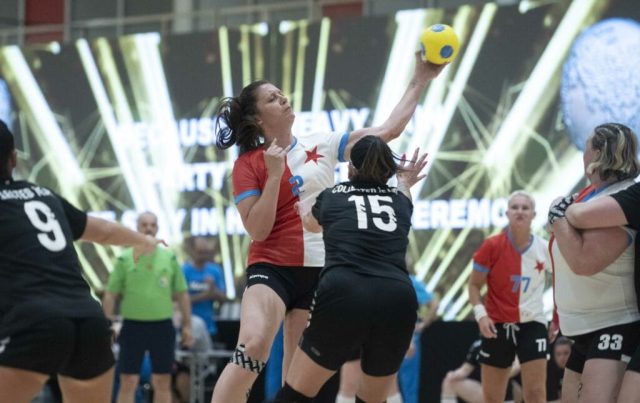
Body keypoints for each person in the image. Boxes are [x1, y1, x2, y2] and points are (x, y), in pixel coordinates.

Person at [211, 52, 444, 402]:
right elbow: (258, 231)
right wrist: (273, 177)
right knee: (254, 346)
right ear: (257, 118)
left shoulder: (320, 143)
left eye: (281, 93)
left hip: (320, 273)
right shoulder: (248, 164)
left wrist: (420, 79)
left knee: (295, 380)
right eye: (272, 98)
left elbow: (386, 132)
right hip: (271, 267)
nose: (283, 99)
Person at [0, 119, 161, 402]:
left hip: (34, 323)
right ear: (13, 159)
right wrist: (144, 241)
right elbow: (104, 230)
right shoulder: (44, 195)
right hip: (89, 323)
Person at [272, 135, 428, 402]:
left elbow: (312, 225)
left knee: (295, 395)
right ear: (388, 172)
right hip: (397, 298)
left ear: (350, 169)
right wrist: (404, 181)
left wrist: (303, 210)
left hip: (344, 293)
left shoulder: (332, 196)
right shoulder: (401, 202)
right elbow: (403, 193)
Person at [547, 123, 640, 403]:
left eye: (586, 146)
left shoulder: (620, 200)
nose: (583, 153)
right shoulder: (588, 197)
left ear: (598, 153)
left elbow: (583, 262)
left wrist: (557, 217)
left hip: (614, 323)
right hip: (582, 328)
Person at [468, 190, 550, 403]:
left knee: (536, 394)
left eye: (525, 208)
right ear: (507, 213)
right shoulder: (491, 246)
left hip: (533, 323)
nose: (520, 211)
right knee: (492, 397)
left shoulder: (545, 248)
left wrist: (558, 318)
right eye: (515, 207)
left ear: (534, 214)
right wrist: (481, 315)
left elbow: (563, 282)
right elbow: (474, 285)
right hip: (497, 325)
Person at [102, 212, 194, 403]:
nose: (149, 228)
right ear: (137, 228)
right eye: (144, 224)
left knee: (162, 381)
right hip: (132, 327)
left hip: (162, 327)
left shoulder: (169, 257)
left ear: (158, 228)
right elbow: (111, 294)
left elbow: (182, 293)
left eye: (152, 224)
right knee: (128, 380)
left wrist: (187, 326)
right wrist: (106, 324)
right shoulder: (124, 258)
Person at [563, 178, 640, 403]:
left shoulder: (632, 195)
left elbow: (579, 218)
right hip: (588, 324)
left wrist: (559, 209)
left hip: (616, 321)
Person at [335, 261, 439, 403]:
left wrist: (412, 332)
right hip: (365, 323)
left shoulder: (402, 279)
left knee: (393, 384)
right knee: (357, 384)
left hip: (385, 329)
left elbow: (403, 303)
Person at [440, 339, 522, 403]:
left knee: (503, 383)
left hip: (510, 390)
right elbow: (465, 369)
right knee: (449, 381)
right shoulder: (478, 345)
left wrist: (499, 374)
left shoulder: (509, 343)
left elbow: (517, 367)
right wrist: (453, 374)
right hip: (484, 389)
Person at [183, 236, 227, 344]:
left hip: (210, 328)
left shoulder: (215, 270)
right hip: (189, 327)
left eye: (205, 252)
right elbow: (179, 301)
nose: (203, 255)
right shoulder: (184, 271)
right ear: (192, 251)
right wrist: (206, 294)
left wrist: (213, 289)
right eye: (200, 252)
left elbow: (223, 299)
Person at [546, 336, 572, 402]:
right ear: (554, 355)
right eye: (558, 354)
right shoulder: (550, 374)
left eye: (566, 353)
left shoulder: (579, 371)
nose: (562, 357)